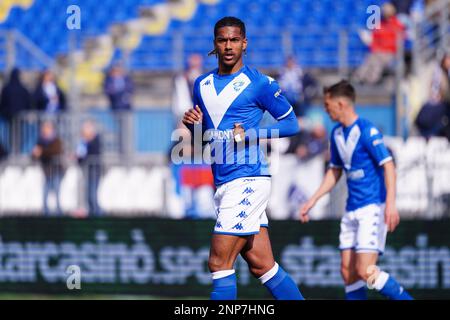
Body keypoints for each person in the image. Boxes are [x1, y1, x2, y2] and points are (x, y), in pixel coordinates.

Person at [181, 17, 304, 300]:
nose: (228, 46)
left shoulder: (259, 83)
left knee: (219, 263)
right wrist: (194, 127)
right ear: (215, 44)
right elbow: (207, 140)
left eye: (234, 40)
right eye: (222, 40)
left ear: (244, 43)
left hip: (248, 178)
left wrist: (251, 133)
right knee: (263, 266)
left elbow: (291, 124)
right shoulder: (202, 84)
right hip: (223, 181)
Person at [299, 80, 412, 300]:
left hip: (372, 208)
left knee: (365, 271)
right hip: (351, 209)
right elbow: (335, 171)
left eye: (327, 103)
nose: (325, 108)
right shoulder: (337, 134)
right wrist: (312, 200)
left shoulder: (367, 131)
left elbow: (389, 166)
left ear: (341, 103)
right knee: (348, 273)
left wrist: (390, 203)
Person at [353, 2, 405, 85]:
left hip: (390, 53)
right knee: (370, 58)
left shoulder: (397, 25)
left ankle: (371, 81)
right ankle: (358, 78)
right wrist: (375, 49)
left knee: (377, 61)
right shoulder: (380, 24)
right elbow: (374, 40)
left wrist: (384, 49)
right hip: (378, 52)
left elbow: (398, 42)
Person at [32, 120, 64, 216]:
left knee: (57, 191)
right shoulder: (40, 141)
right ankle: (46, 212)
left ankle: (59, 212)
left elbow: (55, 151)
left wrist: (42, 151)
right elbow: (35, 154)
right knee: (46, 191)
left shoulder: (56, 140)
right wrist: (35, 154)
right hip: (46, 171)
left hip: (56, 171)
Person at [415, 52, 450, 139]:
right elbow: (437, 92)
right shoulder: (438, 72)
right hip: (438, 104)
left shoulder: (446, 72)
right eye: (448, 59)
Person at [103, 64, 134, 154]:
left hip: (127, 110)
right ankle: (121, 151)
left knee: (128, 132)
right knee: (119, 132)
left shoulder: (126, 79)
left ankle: (128, 151)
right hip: (116, 109)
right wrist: (120, 93)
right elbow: (109, 91)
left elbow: (131, 89)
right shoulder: (109, 80)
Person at [0, 68, 32, 153]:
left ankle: (12, 151)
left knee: (10, 135)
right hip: (20, 117)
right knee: (20, 135)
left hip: (9, 116)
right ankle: (17, 151)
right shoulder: (23, 88)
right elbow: (28, 103)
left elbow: (3, 102)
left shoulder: (6, 88)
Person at [76, 120, 103, 216]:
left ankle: (99, 217)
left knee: (93, 197)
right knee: (88, 198)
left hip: (95, 172)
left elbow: (93, 153)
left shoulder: (96, 140)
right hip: (87, 172)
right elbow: (80, 159)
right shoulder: (83, 142)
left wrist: (87, 142)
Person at [172, 53, 204, 122]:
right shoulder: (181, 79)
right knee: (183, 131)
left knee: (197, 132)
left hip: (198, 114)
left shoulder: (204, 79)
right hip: (184, 113)